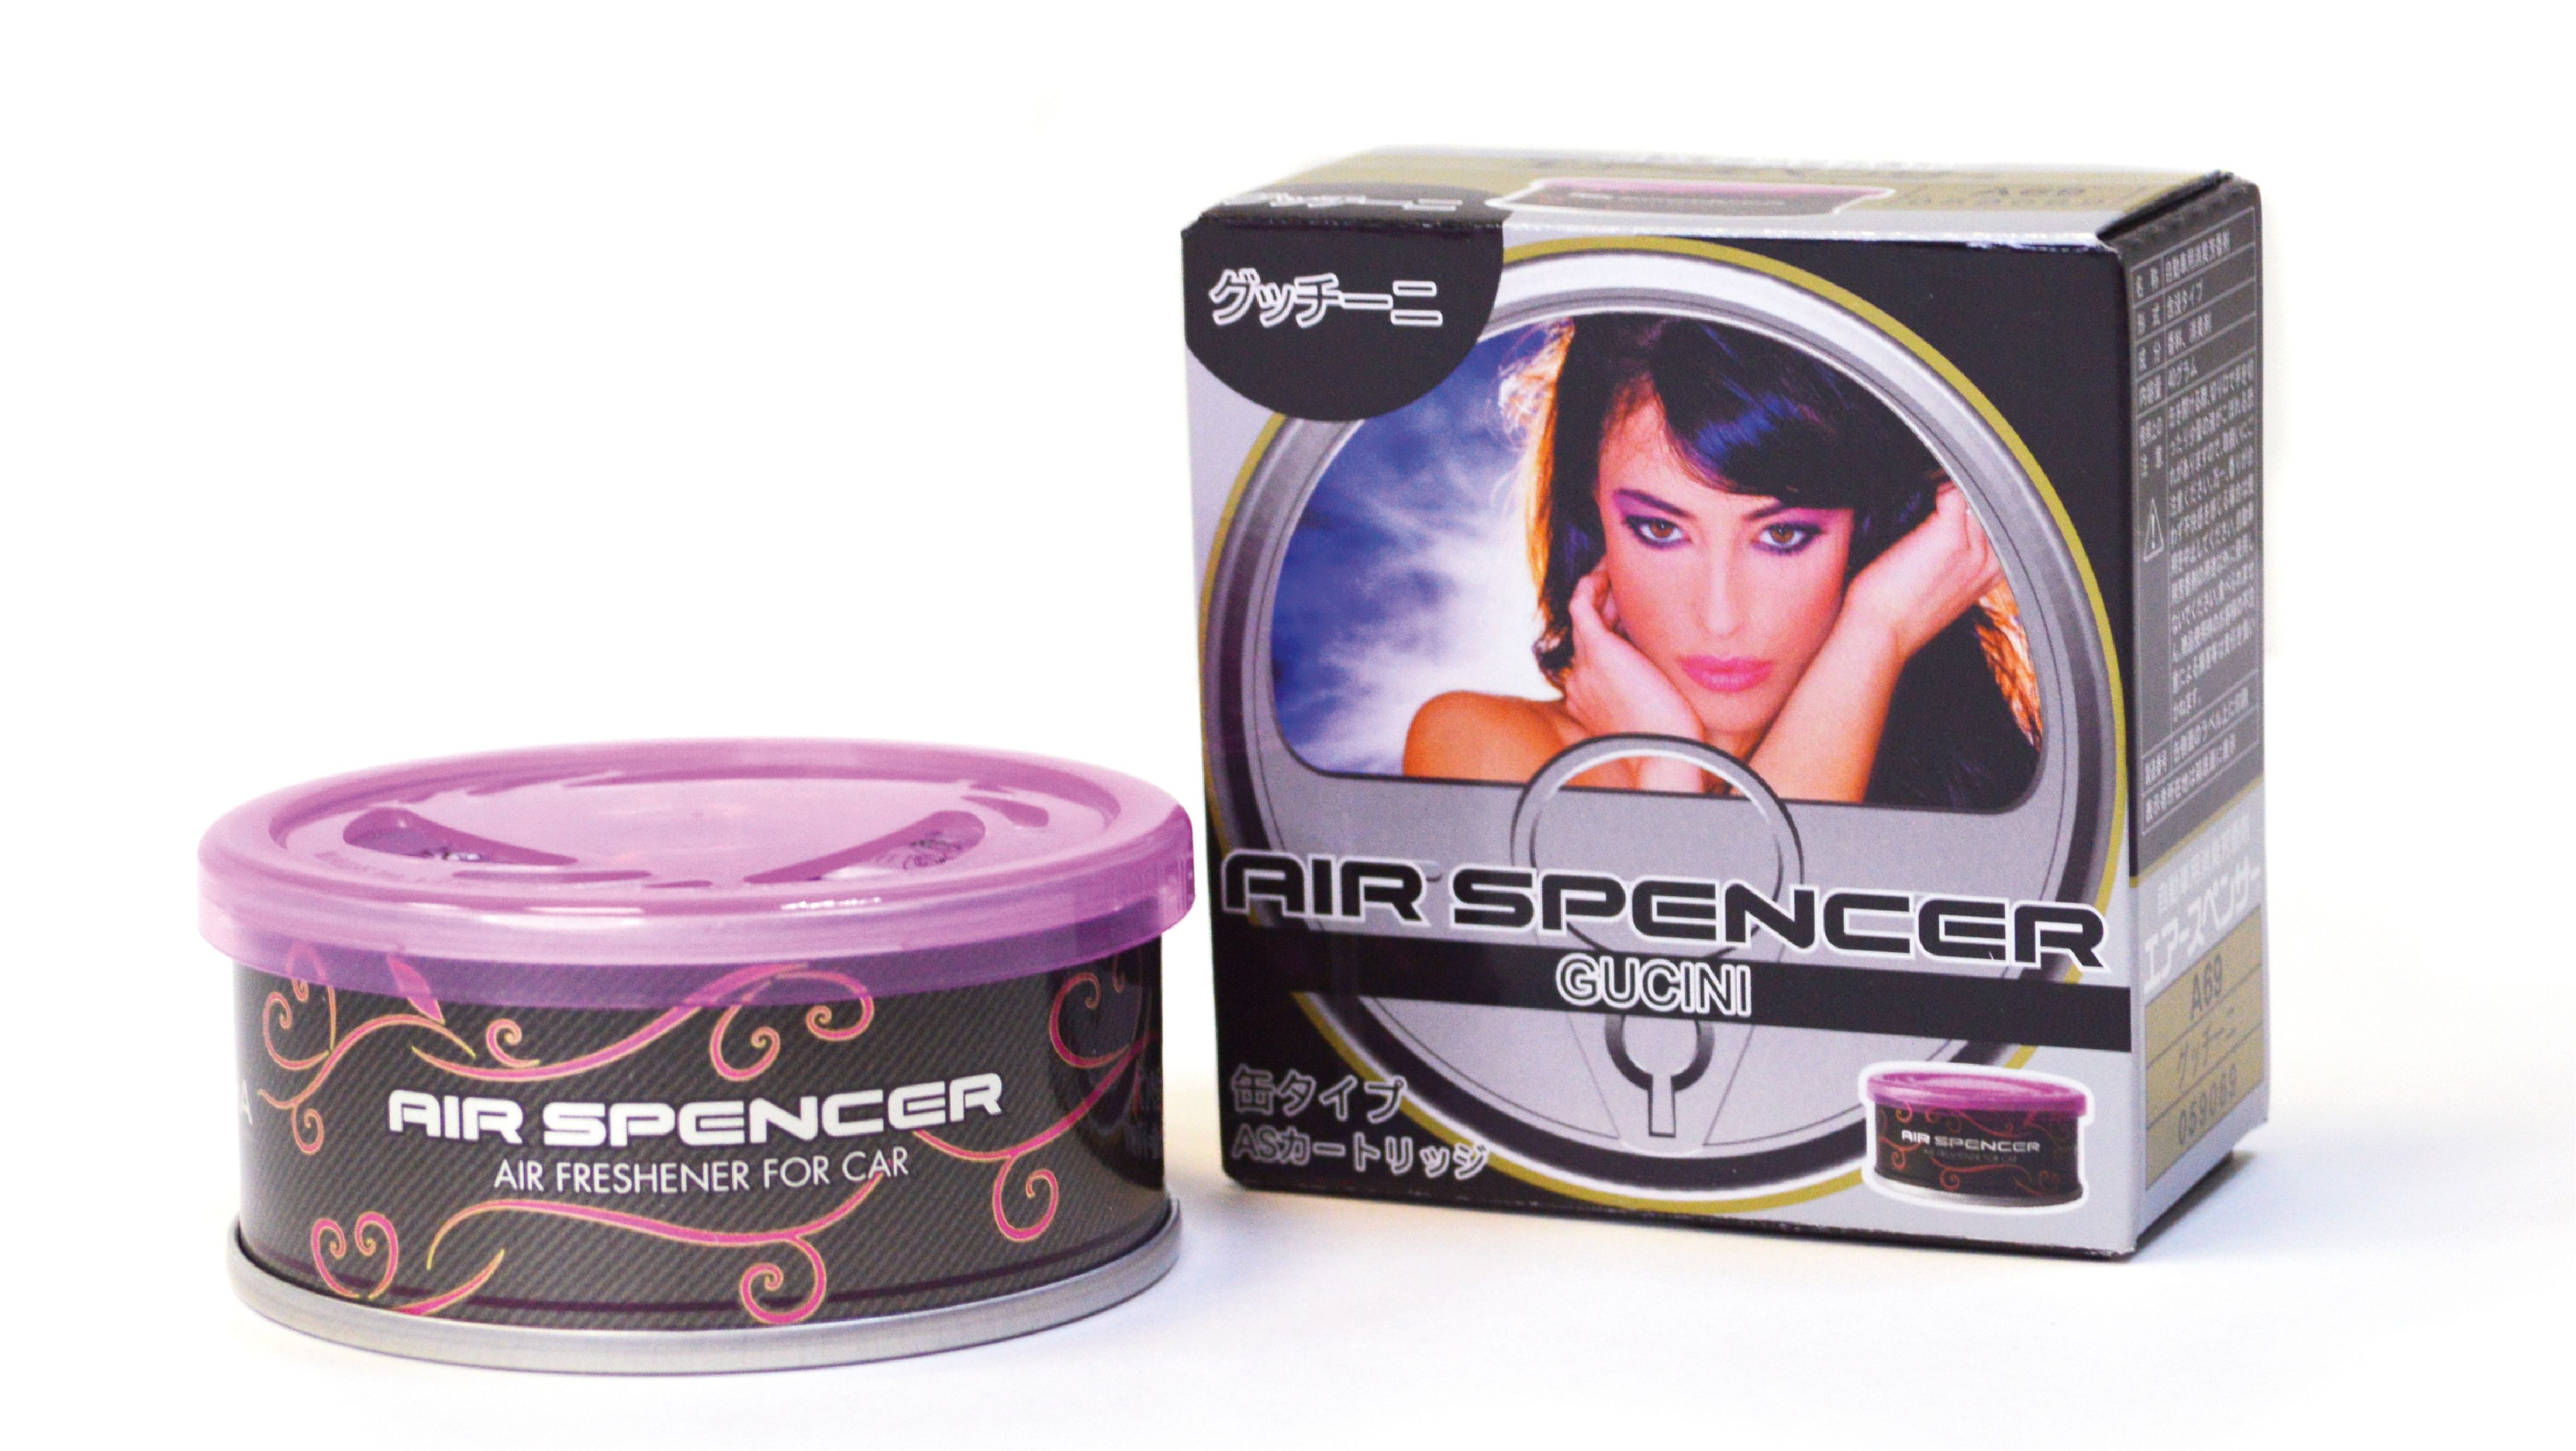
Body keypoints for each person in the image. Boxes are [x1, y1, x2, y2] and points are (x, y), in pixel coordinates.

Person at [1402, 314, 2040, 808]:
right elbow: (1744, 939)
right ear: (1592, 515)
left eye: (1782, 536)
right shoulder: (1484, 752)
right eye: (1660, 529)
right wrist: (1669, 765)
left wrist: (1877, 627)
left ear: (1870, 529)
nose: (1720, 616)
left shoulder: (1987, 782)